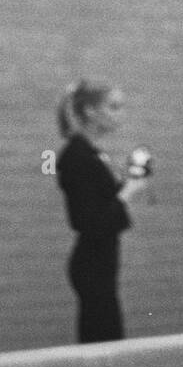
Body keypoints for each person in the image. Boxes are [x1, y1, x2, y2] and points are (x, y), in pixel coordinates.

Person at [55, 80, 147, 343]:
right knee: (102, 339)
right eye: (114, 107)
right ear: (91, 112)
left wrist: (129, 182)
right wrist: (128, 193)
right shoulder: (77, 155)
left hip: (102, 260)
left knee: (107, 337)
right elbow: (87, 221)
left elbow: (102, 202)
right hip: (92, 263)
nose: (121, 115)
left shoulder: (93, 154)